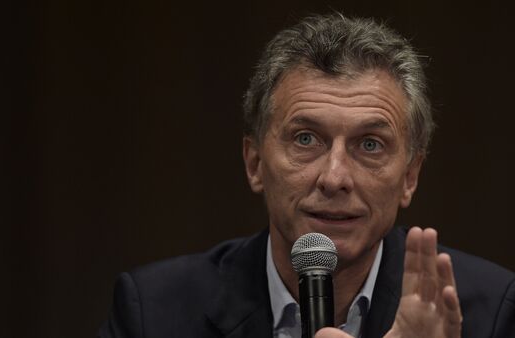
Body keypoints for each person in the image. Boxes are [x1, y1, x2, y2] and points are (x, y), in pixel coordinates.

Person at [99, 14, 515, 338]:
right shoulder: (153, 311)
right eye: (305, 139)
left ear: (410, 176)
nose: (334, 178)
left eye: (370, 144)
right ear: (255, 163)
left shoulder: (491, 311)